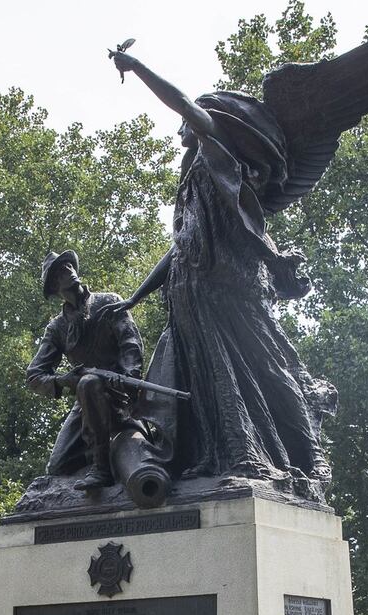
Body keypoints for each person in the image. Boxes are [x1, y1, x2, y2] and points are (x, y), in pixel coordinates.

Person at [101, 50, 337, 500]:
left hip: (231, 284)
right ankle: (233, 453)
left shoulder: (219, 155)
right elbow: (179, 248)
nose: (181, 128)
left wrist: (138, 66)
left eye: (191, 120)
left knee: (269, 367)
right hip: (192, 289)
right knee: (210, 377)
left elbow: (183, 103)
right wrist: (136, 297)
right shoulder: (194, 178)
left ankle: (309, 458)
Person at [26, 250, 145, 491]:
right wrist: (62, 381)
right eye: (60, 271)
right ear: (54, 287)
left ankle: (102, 468)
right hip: (86, 399)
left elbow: (130, 345)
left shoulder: (109, 301)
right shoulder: (57, 328)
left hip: (121, 393)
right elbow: (34, 376)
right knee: (59, 466)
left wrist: (129, 378)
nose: (68, 270)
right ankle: (111, 455)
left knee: (89, 383)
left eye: (68, 265)